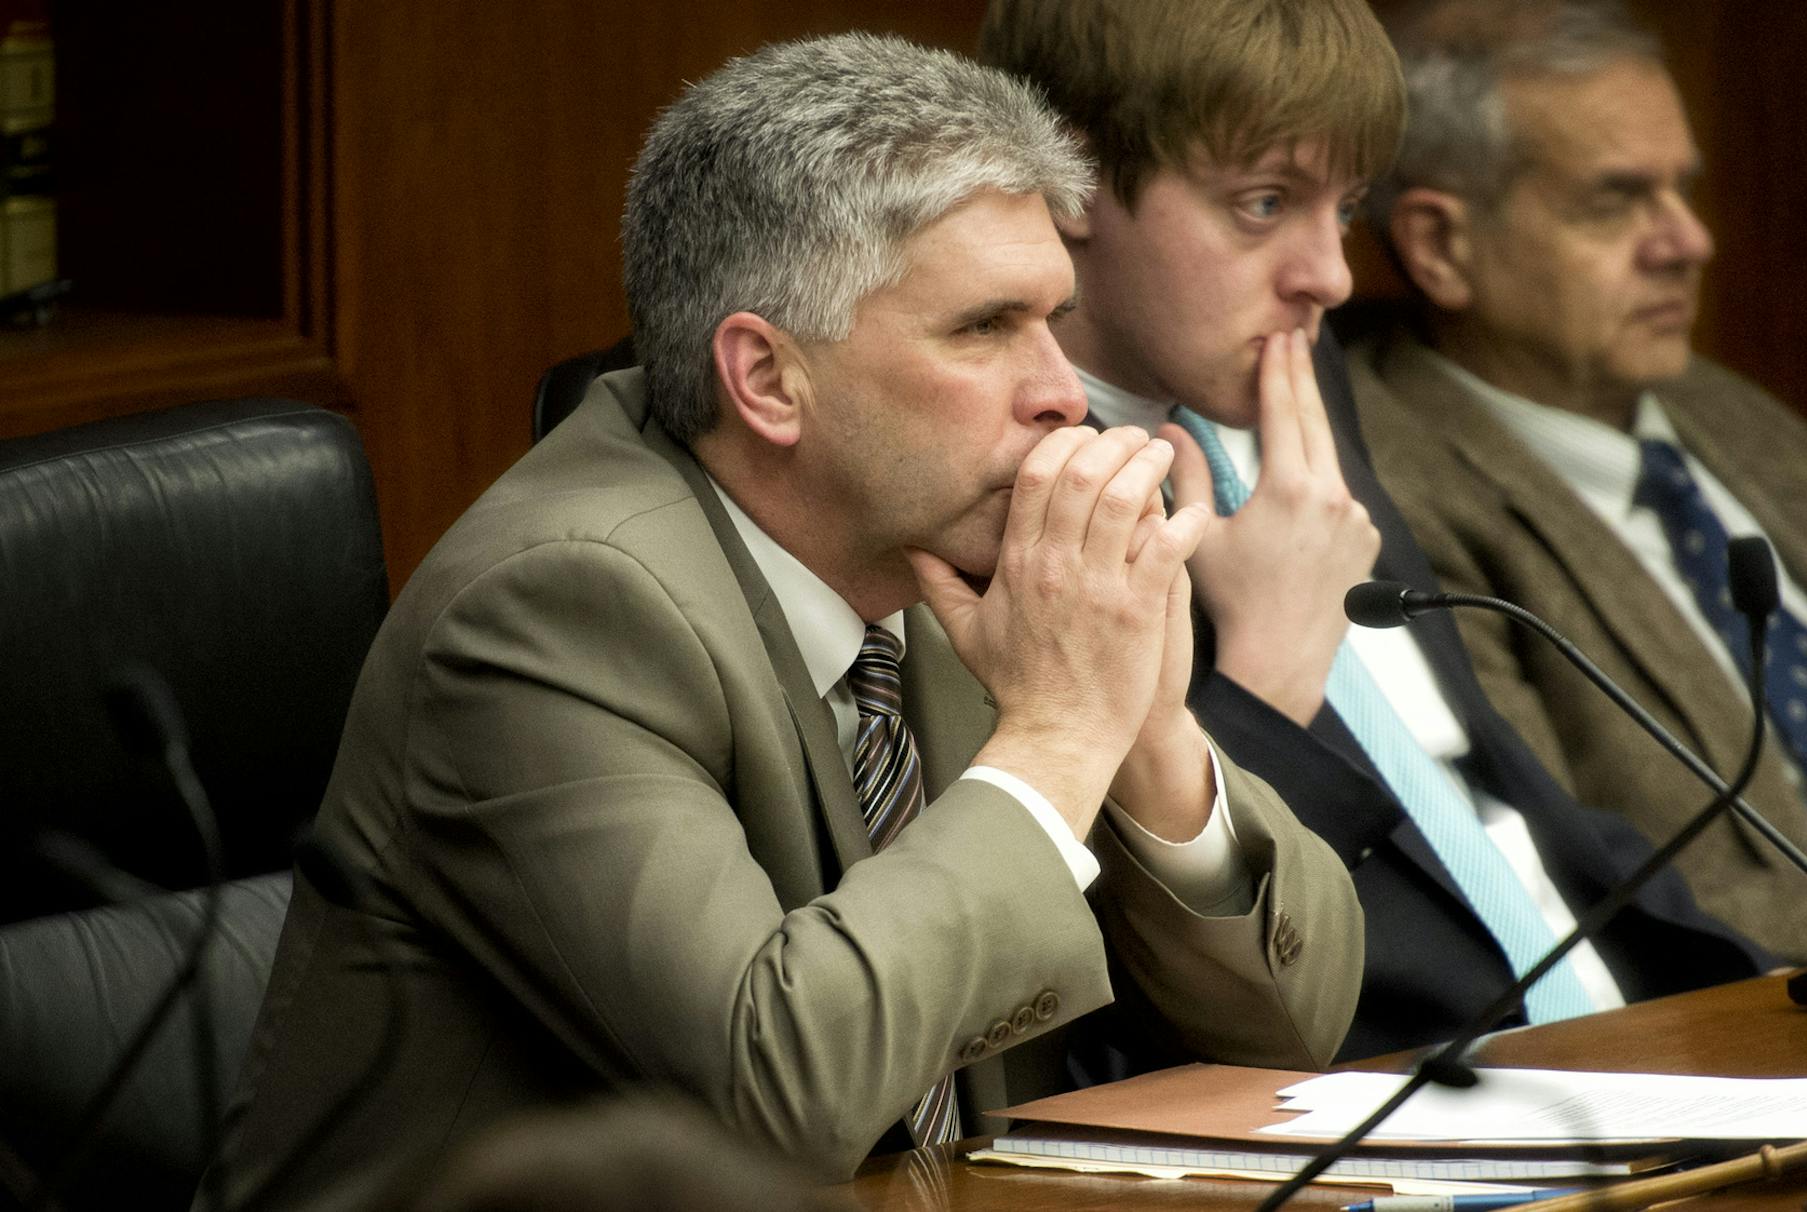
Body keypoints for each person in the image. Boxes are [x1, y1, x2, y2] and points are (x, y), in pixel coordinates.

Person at [201, 33, 1363, 1211]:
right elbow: (773, 1109)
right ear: (765, 379)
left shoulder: (963, 556)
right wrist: (1060, 737)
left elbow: (1294, 1030)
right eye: (983, 328)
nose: (1061, 387)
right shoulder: (553, 613)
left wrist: (1148, 725)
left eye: (1054, 320)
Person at [979, 0, 1760, 1063]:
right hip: (1388, 1096)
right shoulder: (996, 492)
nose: (1331, 277)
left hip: (1637, 1029)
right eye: (1262, 203)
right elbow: (1099, 1005)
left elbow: (1478, 781)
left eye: (1342, 210)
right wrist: (1264, 686)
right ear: (1071, 182)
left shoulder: (1294, 368)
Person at [1351, 0, 1807, 965]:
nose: (1687, 241)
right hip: (1769, 1018)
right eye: (1616, 200)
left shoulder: (1737, 422)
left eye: (1682, 191)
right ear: (1440, 247)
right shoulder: (1387, 488)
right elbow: (1564, 878)